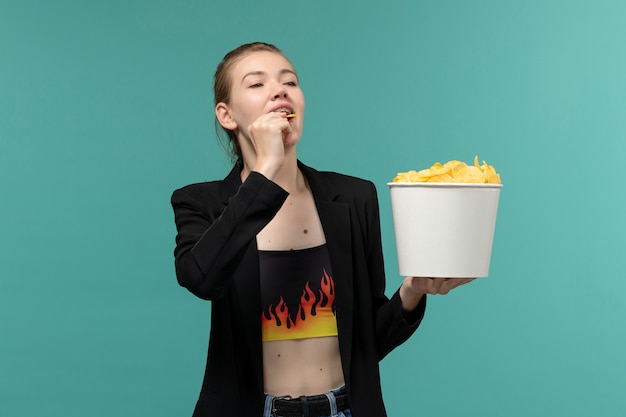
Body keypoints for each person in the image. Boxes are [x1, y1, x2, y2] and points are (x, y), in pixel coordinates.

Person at [171, 42, 474, 417]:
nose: (280, 90)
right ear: (227, 115)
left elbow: (366, 344)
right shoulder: (200, 204)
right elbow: (202, 279)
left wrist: (412, 291)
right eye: (256, 84)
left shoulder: (353, 198)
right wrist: (266, 172)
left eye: (290, 82)